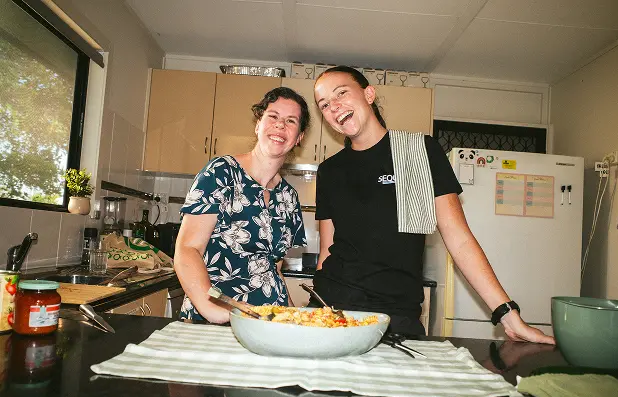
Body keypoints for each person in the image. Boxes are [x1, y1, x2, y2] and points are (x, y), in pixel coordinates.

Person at [311, 66, 554, 343]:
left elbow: (459, 239)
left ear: (368, 93)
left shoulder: (418, 152)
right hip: (332, 309)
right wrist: (319, 312)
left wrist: (508, 314)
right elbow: (327, 253)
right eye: (325, 105)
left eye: (341, 93)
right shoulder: (330, 171)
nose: (334, 107)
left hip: (394, 317)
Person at [175, 87, 309, 323]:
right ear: (258, 124)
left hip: (267, 322)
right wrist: (214, 310)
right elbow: (187, 249)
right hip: (217, 318)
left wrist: (291, 318)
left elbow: (273, 270)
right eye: (273, 116)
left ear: (299, 137)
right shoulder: (221, 173)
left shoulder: (289, 197)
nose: (280, 125)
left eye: (291, 121)